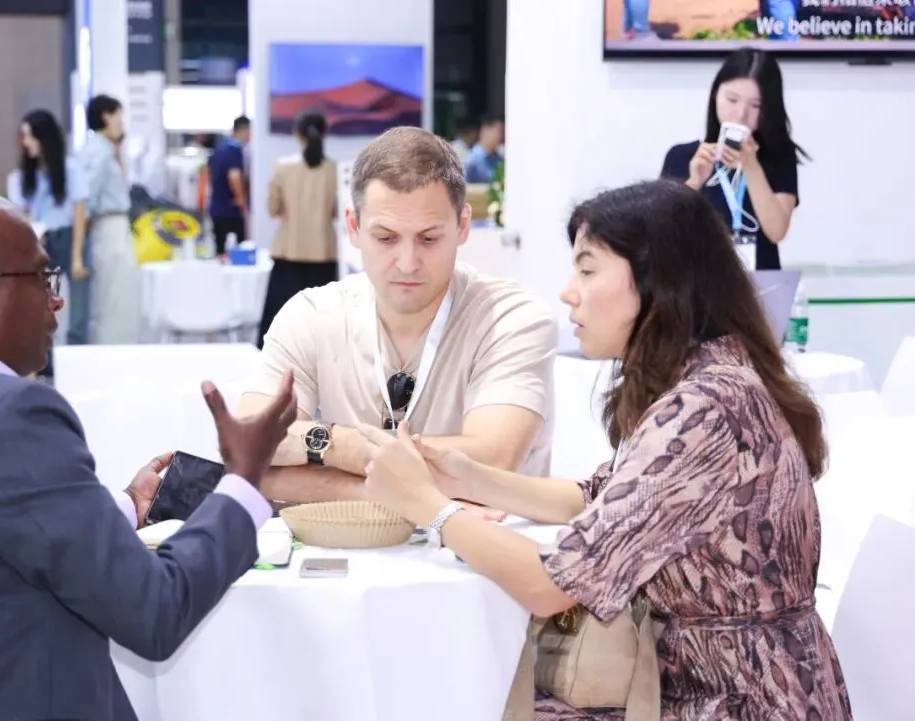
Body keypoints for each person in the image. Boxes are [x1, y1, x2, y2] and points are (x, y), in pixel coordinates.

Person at [361, 180, 852, 719]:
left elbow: (551, 585)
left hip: (739, 700)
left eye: (587, 270)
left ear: (656, 279)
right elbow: (601, 499)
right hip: (718, 683)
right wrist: (467, 477)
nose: (568, 292)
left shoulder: (705, 410)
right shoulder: (711, 376)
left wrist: (429, 507)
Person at [0, 193, 298, 721]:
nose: (56, 302)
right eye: (41, 279)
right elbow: (154, 611)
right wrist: (243, 480)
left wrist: (122, 508)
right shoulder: (10, 415)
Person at [240, 126, 557, 505]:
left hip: (487, 541)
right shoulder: (311, 315)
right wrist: (349, 454)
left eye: (429, 238)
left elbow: (493, 460)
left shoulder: (510, 318)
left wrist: (332, 452)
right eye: (386, 238)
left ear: (463, 226)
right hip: (354, 539)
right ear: (353, 226)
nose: (407, 263)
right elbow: (250, 446)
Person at [660, 47, 808, 271]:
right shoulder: (683, 156)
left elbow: (776, 231)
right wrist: (694, 183)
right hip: (699, 284)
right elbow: (661, 233)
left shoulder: (779, 157)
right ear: (715, 95)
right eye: (732, 99)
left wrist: (751, 166)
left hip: (759, 285)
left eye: (756, 105)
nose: (740, 114)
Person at [8, 109, 91, 347]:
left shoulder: (71, 169)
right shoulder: (22, 176)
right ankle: (44, 358)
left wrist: (77, 257)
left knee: (78, 310)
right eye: (23, 136)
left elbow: (80, 215)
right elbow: (21, 214)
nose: (26, 142)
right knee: (40, 305)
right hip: (40, 241)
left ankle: (77, 354)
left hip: (70, 237)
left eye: (30, 136)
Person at [258, 110, 339, 348]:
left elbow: (273, 209)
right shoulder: (335, 170)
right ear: (325, 134)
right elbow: (336, 212)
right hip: (324, 253)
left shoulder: (282, 167)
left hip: (288, 253)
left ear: (297, 134)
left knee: (278, 325)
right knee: (322, 327)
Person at [80, 94, 141, 344]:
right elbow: (87, 196)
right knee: (114, 293)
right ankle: (112, 346)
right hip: (108, 227)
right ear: (106, 116)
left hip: (114, 226)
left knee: (118, 291)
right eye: (118, 116)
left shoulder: (106, 149)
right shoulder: (100, 151)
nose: (121, 123)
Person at [207, 115, 251, 258]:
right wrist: (241, 199)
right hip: (230, 209)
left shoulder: (218, 148)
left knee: (220, 253)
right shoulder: (234, 151)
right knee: (239, 253)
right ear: (244, 130)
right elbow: (234, 176)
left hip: (216, 208)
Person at [463, 113, 504, 183]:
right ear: (485, 130)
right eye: (499, 131)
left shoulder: (500, 160)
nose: (502, 135)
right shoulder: (471, 161)